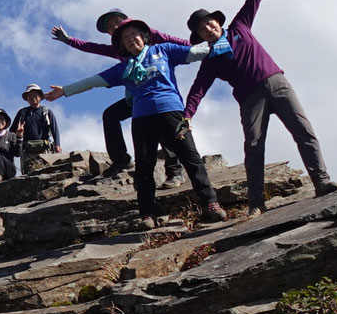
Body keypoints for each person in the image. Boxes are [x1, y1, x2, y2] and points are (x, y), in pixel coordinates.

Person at [184, 0, 337, 208]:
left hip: (277, 83)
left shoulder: (239, 27)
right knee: (254, 146)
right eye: (202, 29)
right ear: (199, 37)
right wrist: (188, 115)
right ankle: (256, 203)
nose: (208, 29)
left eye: (209, 23)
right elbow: (198, 89)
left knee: (304, 131)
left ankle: (322, 181)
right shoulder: (210, 59)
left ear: (217, 23)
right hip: (250, 98)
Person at [46, 19, 231, 225]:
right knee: (144, 166)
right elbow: (93, 81)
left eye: (134, 34)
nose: (130, 39)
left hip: (172, 112)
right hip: (142, 118)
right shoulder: (123, 68)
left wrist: (226, 39)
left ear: (144, 37)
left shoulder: (164, 50)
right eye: (125, 38)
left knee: (191, 158)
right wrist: (65, 90)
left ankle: (210, 203)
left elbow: (197, 53)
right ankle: (147, 214)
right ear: (122, 46)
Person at [53, 15, 184, 181]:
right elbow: (92, 47)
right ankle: (121, 159)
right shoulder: (119, 48)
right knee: (110, 115)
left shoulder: (150, 36)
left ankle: (175, 172)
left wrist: (207, 46)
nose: (114, 26)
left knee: (162, 126)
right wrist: (69, 40)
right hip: (135, 99)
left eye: (116, 22)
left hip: (160, 95)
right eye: (110, 26)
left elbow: (177, 42)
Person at [13, 84, 60, 168]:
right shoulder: (22, 113)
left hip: (45, 150)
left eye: (35, 94)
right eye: (29, 95)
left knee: (46, 173)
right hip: (27, 150)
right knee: (28, 175)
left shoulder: (47, 112)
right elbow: (12, 131)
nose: (32, 97)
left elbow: (55, 130)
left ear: (40, 96)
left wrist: (57, 145)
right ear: (26, 98)